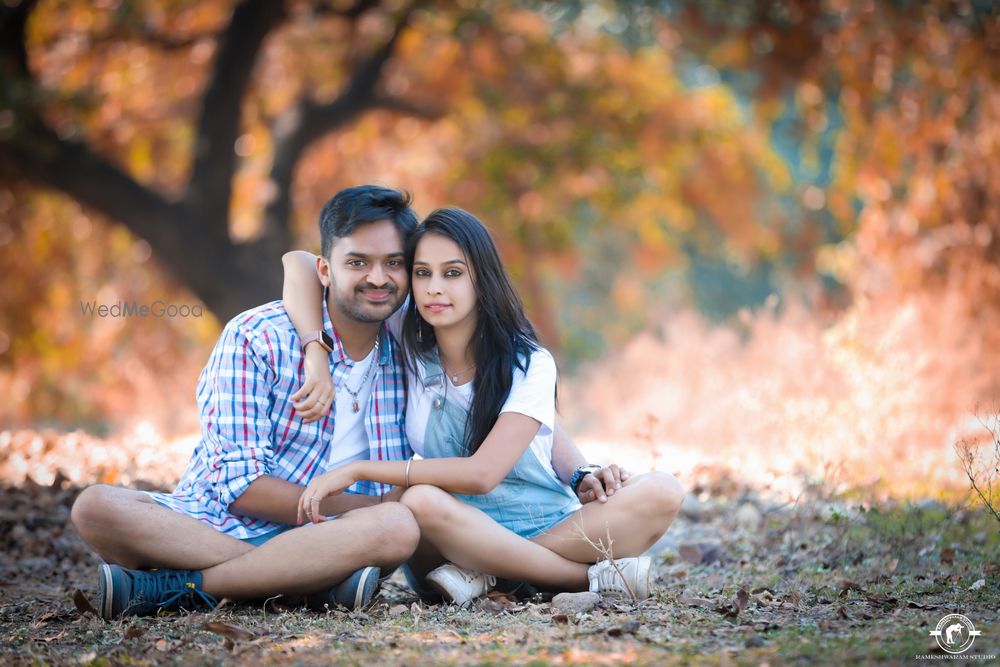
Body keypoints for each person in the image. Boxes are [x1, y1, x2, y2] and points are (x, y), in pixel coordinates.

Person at [282, 206, 684, 606]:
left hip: (542, 522)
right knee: (418, 500)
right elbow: (299, 263)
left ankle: (488, 569)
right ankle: (584, 578)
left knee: (662, 490)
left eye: (452, 273)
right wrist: (315, 350)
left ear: (482, 279)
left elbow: (482, 474)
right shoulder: (405, 331)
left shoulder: (528, 363)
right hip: (449, 531)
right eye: (422, 273)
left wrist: (356, 470)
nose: (434, 288)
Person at [70, 185, 423, 620]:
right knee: (96, 507)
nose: (377, 277)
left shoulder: (413, 350)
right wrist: (360, 510)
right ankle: (306, 583)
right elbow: (241, 488)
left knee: (398, 526)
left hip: (341, 536)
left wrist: (374, 516)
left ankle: (191, 586)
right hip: (219, 525)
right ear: (325, 271)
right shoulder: (258, 337)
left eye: (393, 263)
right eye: (357, 262)